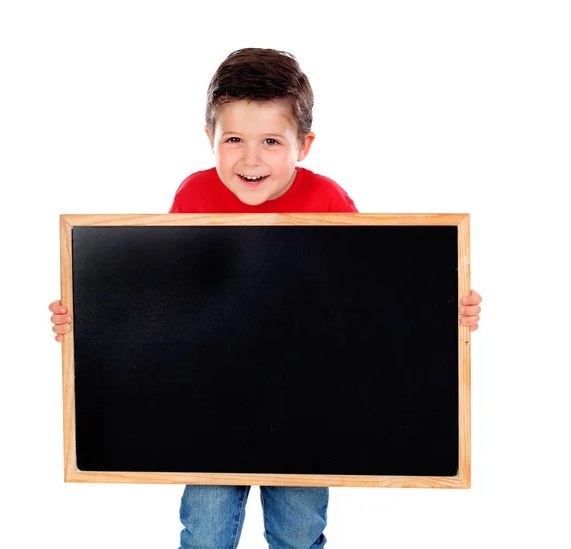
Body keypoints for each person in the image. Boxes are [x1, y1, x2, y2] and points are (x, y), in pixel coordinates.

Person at [49, 47, 483, 549]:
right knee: (206, 527)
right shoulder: (193, 195)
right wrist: (88, 316)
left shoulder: (329, 202)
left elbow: (373, 289)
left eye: (271, 141)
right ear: (209, 138)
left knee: (299, 530)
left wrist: (445, 308)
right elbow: (161, 294)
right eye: (233, 139)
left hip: (306, 402)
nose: (250, 159)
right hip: (210, 399)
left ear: (304, 145)